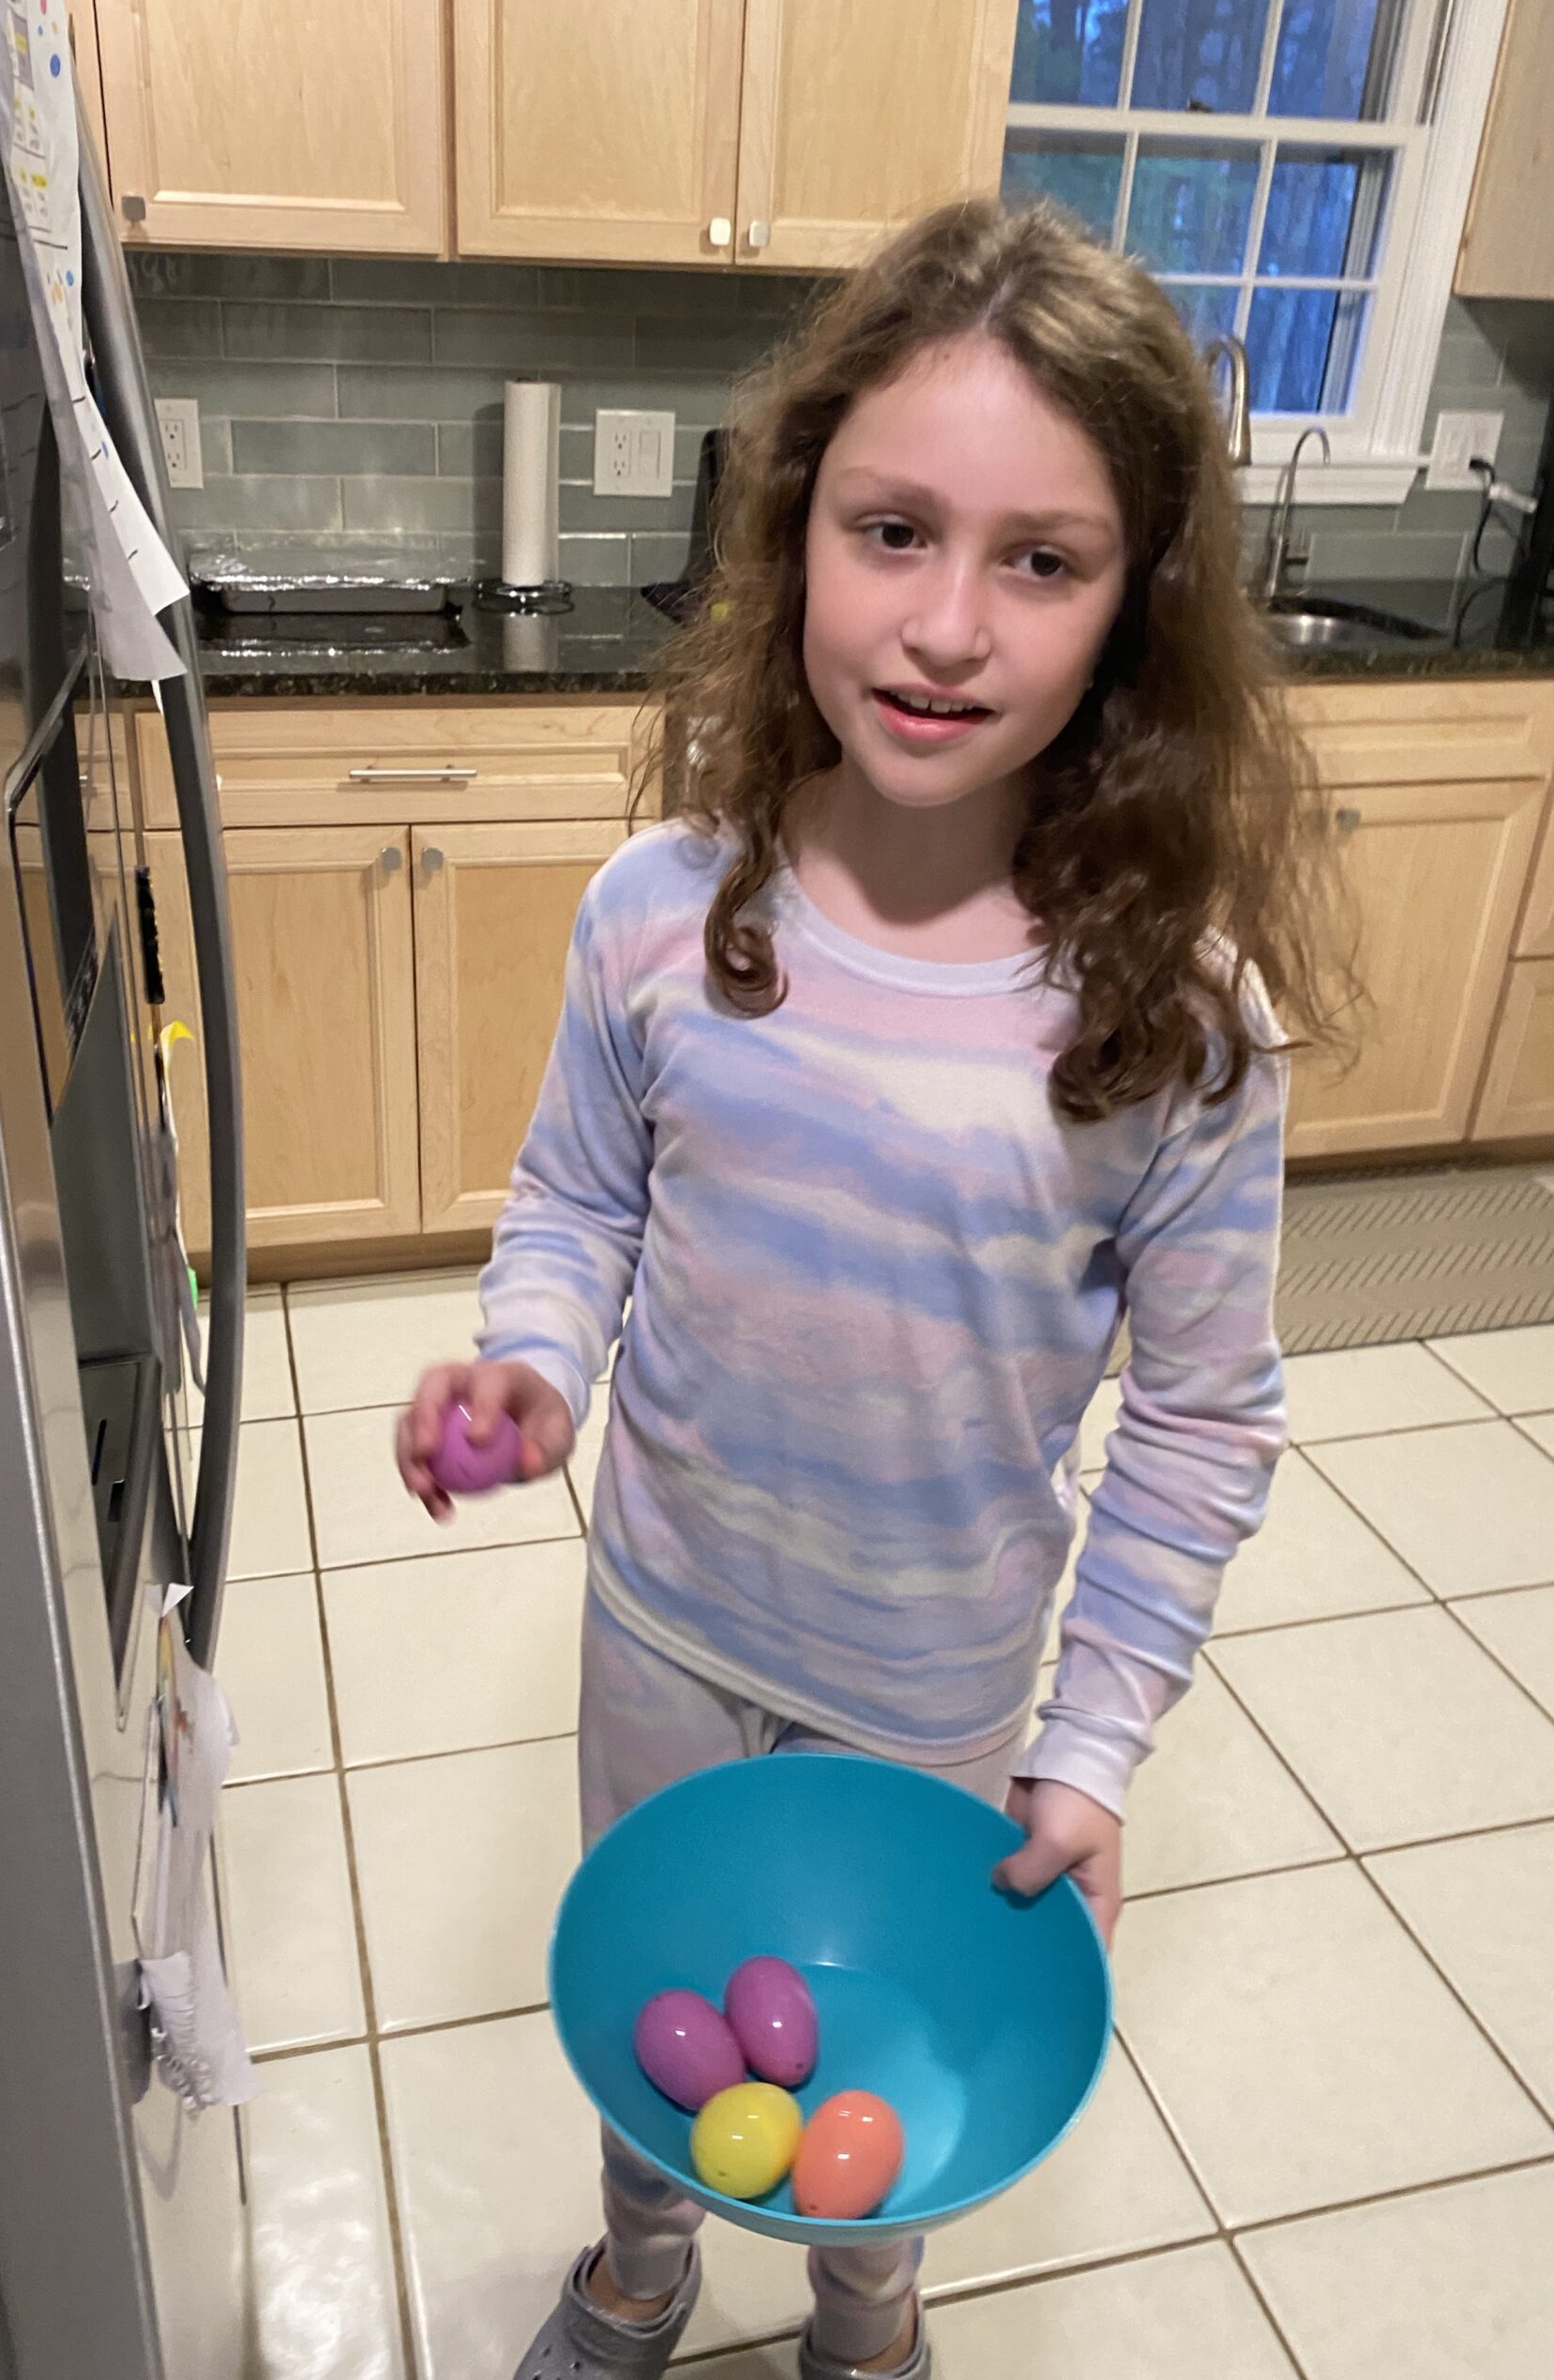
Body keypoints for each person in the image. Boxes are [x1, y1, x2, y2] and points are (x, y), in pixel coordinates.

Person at [396, 198, 1349, 2380]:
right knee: (671, 2014)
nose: (943, 625)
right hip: (664, 1623)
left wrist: (1092, 1740)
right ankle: (642, 2263)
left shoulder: (1178, 1020)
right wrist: (534, 1358)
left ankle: (869, 2308)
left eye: (1043, 559)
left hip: (931, 1685)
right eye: (892, 530)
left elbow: (1206, 1415)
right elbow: (578, 1200)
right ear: (793, 525)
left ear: (1137, 604)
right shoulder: (660, 912)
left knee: (872, 2063)